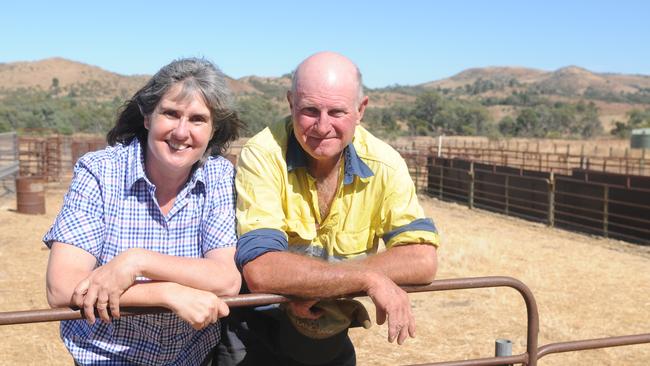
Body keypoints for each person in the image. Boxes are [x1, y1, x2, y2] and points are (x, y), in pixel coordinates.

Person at [220, 51, 440, 365]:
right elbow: (262, 270)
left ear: (360, 110)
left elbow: (422, 259)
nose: (323, 126)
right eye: (310, 110)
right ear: (290, 103)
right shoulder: (264, 153)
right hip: (254, 335)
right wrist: (368, 279)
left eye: (337, 111)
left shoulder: (385, 163)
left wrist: (316, 282)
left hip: (328, 338)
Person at [44, 57, 244, 365]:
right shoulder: (100, 172)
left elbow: (226, 279)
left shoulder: (218, 176)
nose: (181, 132)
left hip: (190, 357)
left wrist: (137, 262)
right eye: (171, 113)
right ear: (148, 116)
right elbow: (62, 286)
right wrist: (166, 294)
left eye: (197, 119)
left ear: (212, 129)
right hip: (104, 357)